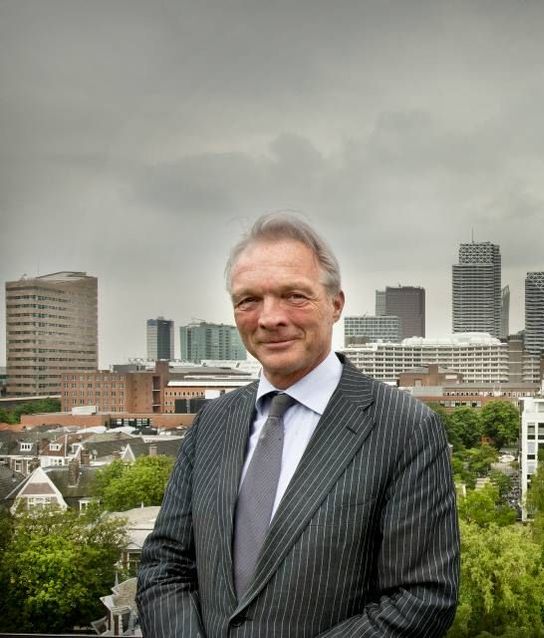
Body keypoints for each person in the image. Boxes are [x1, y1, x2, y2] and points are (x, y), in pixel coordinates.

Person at [137, 213, 459, 637]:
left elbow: (422, 598)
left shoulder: (407, 429)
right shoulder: (212, 421)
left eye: (294, 296)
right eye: (249, 300)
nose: (269, 318)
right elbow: (165, 564)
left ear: (336, 304)